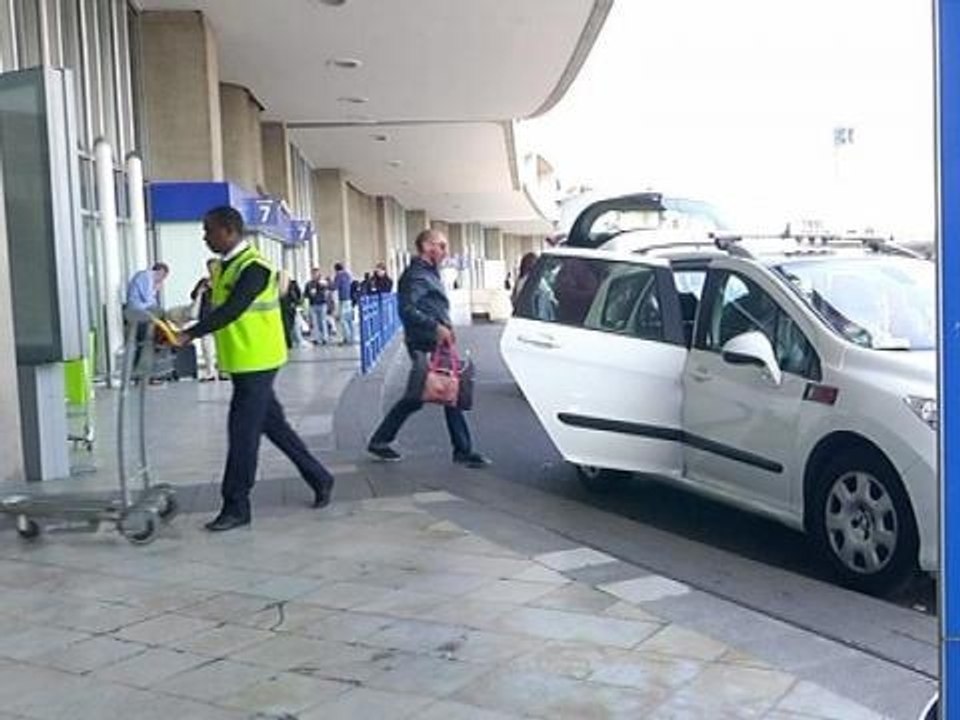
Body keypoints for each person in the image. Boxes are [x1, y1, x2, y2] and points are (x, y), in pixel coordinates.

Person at [175, 206, 335, 532]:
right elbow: (216, 309)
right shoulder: (223, 268)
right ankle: (320, 477)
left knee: (242, 434)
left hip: (259, 361)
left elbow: (233, 310)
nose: (205, 237)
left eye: (209, 230)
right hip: (242, 361)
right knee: (274, 427)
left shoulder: (255, 268)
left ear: (229, 231)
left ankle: (236, 505)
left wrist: (189, 334)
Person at [367, 228, 490, 468]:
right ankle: (380, 440)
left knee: (449, 391)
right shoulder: (416, 276)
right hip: (424, 343)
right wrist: (436, 326)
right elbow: (407, 310)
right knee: (419, 395)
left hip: (435, 341)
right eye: (441, 245)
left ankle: (462, 450)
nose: (445, 251)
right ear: (425, 246)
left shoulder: (428, 274)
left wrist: (444, 328)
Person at [125, 262, 169, 378]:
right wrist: (155, 289)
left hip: (140, 310)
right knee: (160, 316)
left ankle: (163, 339)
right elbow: (149, 299)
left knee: (161, 316)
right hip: (138, 311)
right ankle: (164, 339)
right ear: (161, 272)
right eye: (163, 278)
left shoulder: (145, 277)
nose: (161, 281)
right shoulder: (147, 277)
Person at [189, 258, 219, 381]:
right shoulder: (204, 282)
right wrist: (201, 291)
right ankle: (210, 371)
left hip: (220, 316)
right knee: (207, 346)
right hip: (206, 316)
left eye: (214, 267)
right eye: (209, 267)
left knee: (221, 346)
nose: (211, 270)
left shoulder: (224, 281)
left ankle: (223, 371)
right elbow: (193, 295)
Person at [304, 267, 329, 345]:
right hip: (313, 304)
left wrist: (321, 289)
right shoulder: (309, 284)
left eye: (316, 273)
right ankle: (316, 338)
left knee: (322, 322)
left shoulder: (322, 282)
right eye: (313, 274)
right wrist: (309, 294)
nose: (314, 275)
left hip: (322, 304)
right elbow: (305, 294)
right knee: (314, 323)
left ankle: (324, 338)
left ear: (319, 274)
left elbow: (327, 291)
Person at [333, 262, 355, 344]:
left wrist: (326, 284)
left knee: (343, 320)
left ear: (336, 270)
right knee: (349, 320)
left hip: (343, 299)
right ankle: (351, 337)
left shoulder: (338, 276)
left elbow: (335, 286)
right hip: (349, 298)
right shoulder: (348, 275)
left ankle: (347, 338)